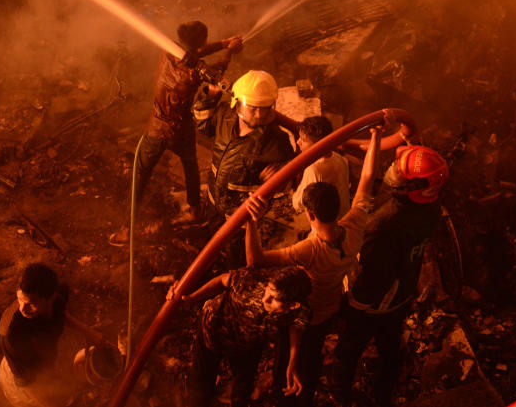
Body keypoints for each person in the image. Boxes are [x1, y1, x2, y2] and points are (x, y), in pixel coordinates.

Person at [244, 123, 384, 407]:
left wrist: (251, 222)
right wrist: (376, 136)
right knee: (313, 353)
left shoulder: (308, 250)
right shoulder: (355, 225)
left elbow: (255, 261)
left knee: (288, 360)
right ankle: (305, 393)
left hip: (303, 313)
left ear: (309, 215)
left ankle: (287, 397)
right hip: (330, 307)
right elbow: (367, 178)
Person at [331, 145, 448, 406]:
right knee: (390, 347)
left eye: (401, 172)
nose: (393, 171)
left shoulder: (386, 225)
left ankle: (340, 395)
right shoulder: (429, 207)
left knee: (349, 349)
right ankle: (384, 391)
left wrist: (354, 305)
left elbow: (374, 276)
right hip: (402, 293)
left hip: (375, 304)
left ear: (416, 187)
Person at [110, 21, 242, 245]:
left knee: (140, 175)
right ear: (200, 45)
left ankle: (126, 230)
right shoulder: (196, 74)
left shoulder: (167, 48)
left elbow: (196, 54)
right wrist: (228, 50)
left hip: (156, 127)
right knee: (190, 166)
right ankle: (195, 211)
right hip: (181, 129)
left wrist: (223, 43)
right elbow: (218, 72)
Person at [170, 266, 312, 407]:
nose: (265, 299)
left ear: (293, 305)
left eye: (274, 298)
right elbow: (221, 280)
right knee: (200, 385)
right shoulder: (249, 282)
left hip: (248, 345)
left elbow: (296, 325)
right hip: (214, 330)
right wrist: (192, 298)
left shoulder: (301, 310)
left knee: (243, 389)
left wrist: (292, 361)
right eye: (268, 290)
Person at [193, 69, 295, 266]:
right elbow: (202, 124)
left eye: (266, 108)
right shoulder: (224, 116)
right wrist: (210, 95)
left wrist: (281, 176)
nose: (260, 114)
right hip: (214, 203)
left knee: (235, 260)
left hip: (240, 218)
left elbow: (291, 178)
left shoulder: (276, 141)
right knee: (210, 245)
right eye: (254, 107)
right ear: (237, 102)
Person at [0, 263, 107, 407]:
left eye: (31, 303)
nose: (23, 308)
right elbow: (26, 382)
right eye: (20, 299)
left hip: (42, 362)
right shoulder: (12, 335)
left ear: (50, 298)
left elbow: (60, 312)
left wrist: (87, 332)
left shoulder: (58, 297)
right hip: (21, 382)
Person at [292, 115, 350, 218]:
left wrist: (293, 197)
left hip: (328, 223)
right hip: (344, 216)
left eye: (303, 140)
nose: (298, 142)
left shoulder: (314, 169)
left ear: (318, 145)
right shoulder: (340, 159)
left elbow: (300, 203)